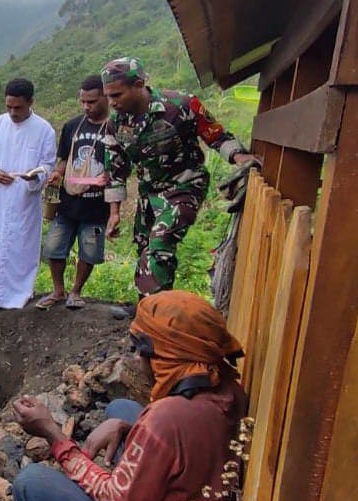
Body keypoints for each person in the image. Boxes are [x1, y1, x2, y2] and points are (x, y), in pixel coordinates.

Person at [11, 290, 249, 501]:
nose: (136, 358)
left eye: (141, 349)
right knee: (122, 409)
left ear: (169, 353)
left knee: (31, 483)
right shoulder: (228, 390)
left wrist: (52, 433)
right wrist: (128, 428)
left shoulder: (167, 417)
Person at [100, 57, 258, 312]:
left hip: (184, 186)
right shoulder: (116, 122)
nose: (111, 102)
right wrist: (115, 213)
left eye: (116, 94)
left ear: (139, 84)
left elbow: (216, 136)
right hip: (149, 192)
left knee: (160, 243)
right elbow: (115, 168)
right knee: (145, 248)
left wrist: (240, 157)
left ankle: (154, 318)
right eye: (108, 96)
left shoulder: (181, 105)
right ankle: (150, 306)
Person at [36, 75, 120, 311]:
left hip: (96, 206)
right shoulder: (73, 126)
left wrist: (108, 186)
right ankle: (58, 291)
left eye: (92, 101)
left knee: (89, 251)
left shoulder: (115, 128)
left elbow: (122, 167)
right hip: (67, 202)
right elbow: (65, 158)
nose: (86, 107)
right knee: (54, 247)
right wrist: (57, 174)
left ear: (104, 97)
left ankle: (76, 292)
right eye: (83, 101)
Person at [0, 78, 57, 309]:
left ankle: (18, 296)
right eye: (8, 106)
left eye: (18, 107)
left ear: (30, 102)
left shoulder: (44, 130)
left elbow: (48, 165)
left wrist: (35, 176)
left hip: (24, 200)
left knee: (20, 249)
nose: (12, 112)